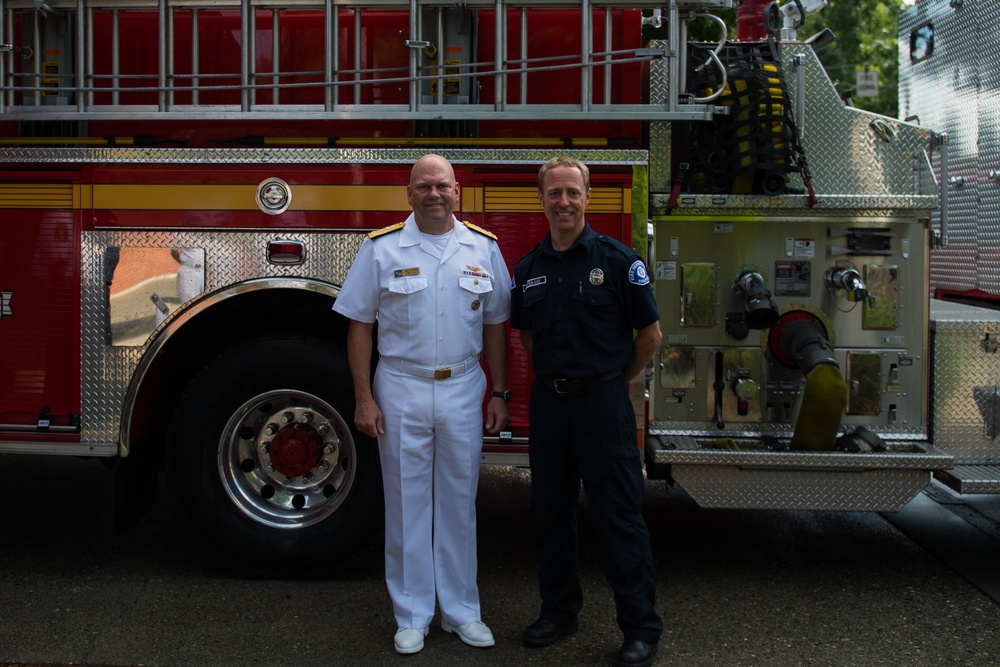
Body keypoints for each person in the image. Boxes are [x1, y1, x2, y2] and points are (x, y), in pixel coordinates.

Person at [333, 154, 511, 655]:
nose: (434, 194)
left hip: (462, 385)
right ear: (408, 194)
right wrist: (363, 397)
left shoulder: (483, 247)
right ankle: (412, 614)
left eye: (442, 186)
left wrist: (499, 391)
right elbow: (359, 325)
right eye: (423, 186)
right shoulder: (382, 249)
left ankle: (461, 612)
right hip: (402, 385)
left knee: (459, 503)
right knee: (408, 503)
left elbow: (496, 323)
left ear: (458, 191)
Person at [509, 156, 664, 667]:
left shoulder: (618, 261)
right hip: (551, 404)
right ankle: (558, 612)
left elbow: (650, 335)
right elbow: (527, 335)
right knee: (550, 514)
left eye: (572, 192)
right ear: (542, 201)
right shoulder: (528, 268)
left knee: (618, 515)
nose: (564, 202)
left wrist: (615, 380)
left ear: (587, 196)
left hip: (603, 404)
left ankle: (640, 627)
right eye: (554, 193)